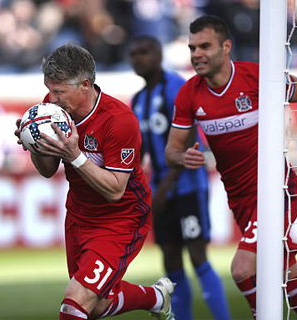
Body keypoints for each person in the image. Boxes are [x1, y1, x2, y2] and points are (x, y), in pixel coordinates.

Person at [15, 43, 175, 320]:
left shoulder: (119, 121)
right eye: (49, 90)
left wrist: (75, 155)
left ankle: (156, 299)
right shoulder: (53, 110)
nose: (50, 99)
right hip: (79, 216)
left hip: (121, 219)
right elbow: (47, 170)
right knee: (96, 306)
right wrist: (35, 147)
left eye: (58, 92)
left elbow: (115, 190)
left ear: (84, 85)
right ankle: (156, 298)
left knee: (75, 302)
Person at [165, 15, 297, 318]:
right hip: (242, 202)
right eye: (192, 47)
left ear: (226, 47)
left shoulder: (257, 78)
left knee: (242, 269)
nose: (196, 53)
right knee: (289, 273)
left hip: (279, 191)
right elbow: (172, 150)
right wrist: (182, 158)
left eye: (205, 46)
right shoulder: (189, 94)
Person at [129, 35, 230, 320]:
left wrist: (161, 188)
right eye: (134, 53)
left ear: (159, 54)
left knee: (198, 256)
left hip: (187, 187)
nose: (138, 57)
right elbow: (139, 154)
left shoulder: (177, 89)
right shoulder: (138, 101)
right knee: (171, 260)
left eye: (144, 51)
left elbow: (187, 144)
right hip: (159, 192)